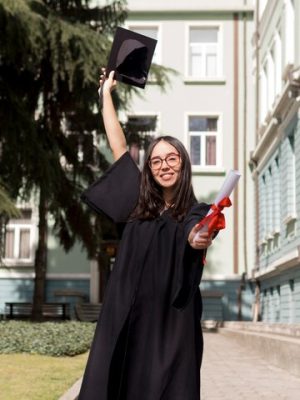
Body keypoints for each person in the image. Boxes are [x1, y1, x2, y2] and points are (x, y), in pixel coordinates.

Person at [78, 70, 215, 400]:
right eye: (156, 161)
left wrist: (199, 238)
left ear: (183, 164)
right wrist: (106, 95)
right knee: (116, 384)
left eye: (172, 158)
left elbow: (197, 234)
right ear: (150, 170)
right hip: (126, 317)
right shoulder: (136, 204)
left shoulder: (194, 211)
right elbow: (118, 145)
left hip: (171, 325)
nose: (164, 165)